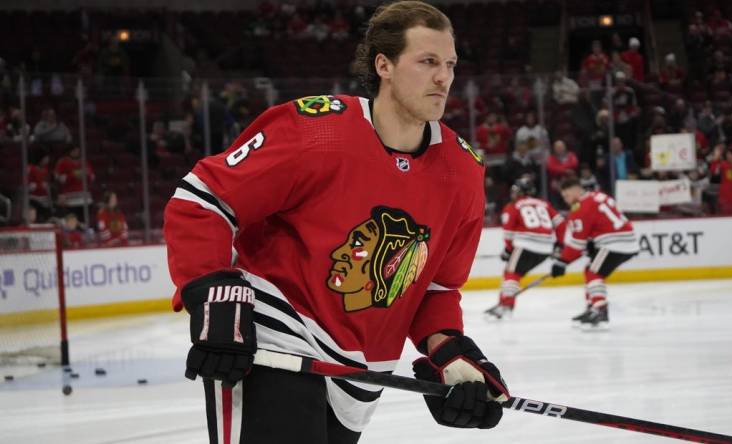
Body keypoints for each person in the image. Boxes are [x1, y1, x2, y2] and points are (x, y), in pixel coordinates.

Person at [163, 2, 509, 443]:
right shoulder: (317, 130)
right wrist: (214, 291)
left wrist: (451, 355)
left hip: (362, 369)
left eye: (450, 64)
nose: (444, 78)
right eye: (427, 62)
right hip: (278, 332)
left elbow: (434, 287)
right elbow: (203, 198)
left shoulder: (462, 171)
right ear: (383, 64)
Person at [550, 177, 639, 329]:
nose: (566, 200)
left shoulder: (580, 207)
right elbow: (597, 227)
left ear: (575, 189)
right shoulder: (599, 196)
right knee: (590, 269)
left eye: (566, 196)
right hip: (625, 240)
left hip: (614, 243)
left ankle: (600, 310)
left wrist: (562, 262)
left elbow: (577, 243)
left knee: (593, 272)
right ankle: (592, 307)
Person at [486, 176, 565, 318]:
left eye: (516, 191)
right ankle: (506, 304)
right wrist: (560, 244)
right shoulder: (544, 204)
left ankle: (505, 306)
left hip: (526, 244)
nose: (513, 194)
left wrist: (509, 250)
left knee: (511, 273)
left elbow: (508, 233)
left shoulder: (513, 206)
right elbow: (560, 223)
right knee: (516, 273)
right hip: (546, 248)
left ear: (521, 192)